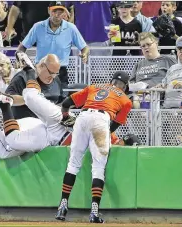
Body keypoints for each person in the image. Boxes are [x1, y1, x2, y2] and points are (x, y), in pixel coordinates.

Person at [55, 71, 132, 223]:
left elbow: (66, 103)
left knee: (73, 163)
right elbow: (114, 125)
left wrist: (65, 116)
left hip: (83, 117)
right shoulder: (125, 99)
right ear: (125, 86)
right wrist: (99, 138)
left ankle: (62, 206)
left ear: (111, 80)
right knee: (98, 167)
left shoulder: (94, 87)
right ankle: (94, 212)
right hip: (102, 119)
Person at [16, 1, 89, 89]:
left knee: (61, 100)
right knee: (40, 99)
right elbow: (22, 47)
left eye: (60, 12)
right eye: (54, 11)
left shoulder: (71, 28)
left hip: (60, 71)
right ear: (48, 11)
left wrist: (84, 54)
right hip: (41, 70)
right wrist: (20, 56)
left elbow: (84, 47)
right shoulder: (38, 27)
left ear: (65, 13)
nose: (57, 15)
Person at [5, 53, 64, 119]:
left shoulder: (56, 79)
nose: (53, 77)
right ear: (42, 66)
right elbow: (7, 99)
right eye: (51, 73)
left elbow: (59, 101)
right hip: (26, 124)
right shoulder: (22, 77)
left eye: (56, 73)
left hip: (48, 125)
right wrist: (30, 99)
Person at [160, 35, 182, 108]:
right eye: (180, 48)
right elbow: (164, 85)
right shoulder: (172, 68)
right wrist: (161, 86)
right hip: (167, 109)